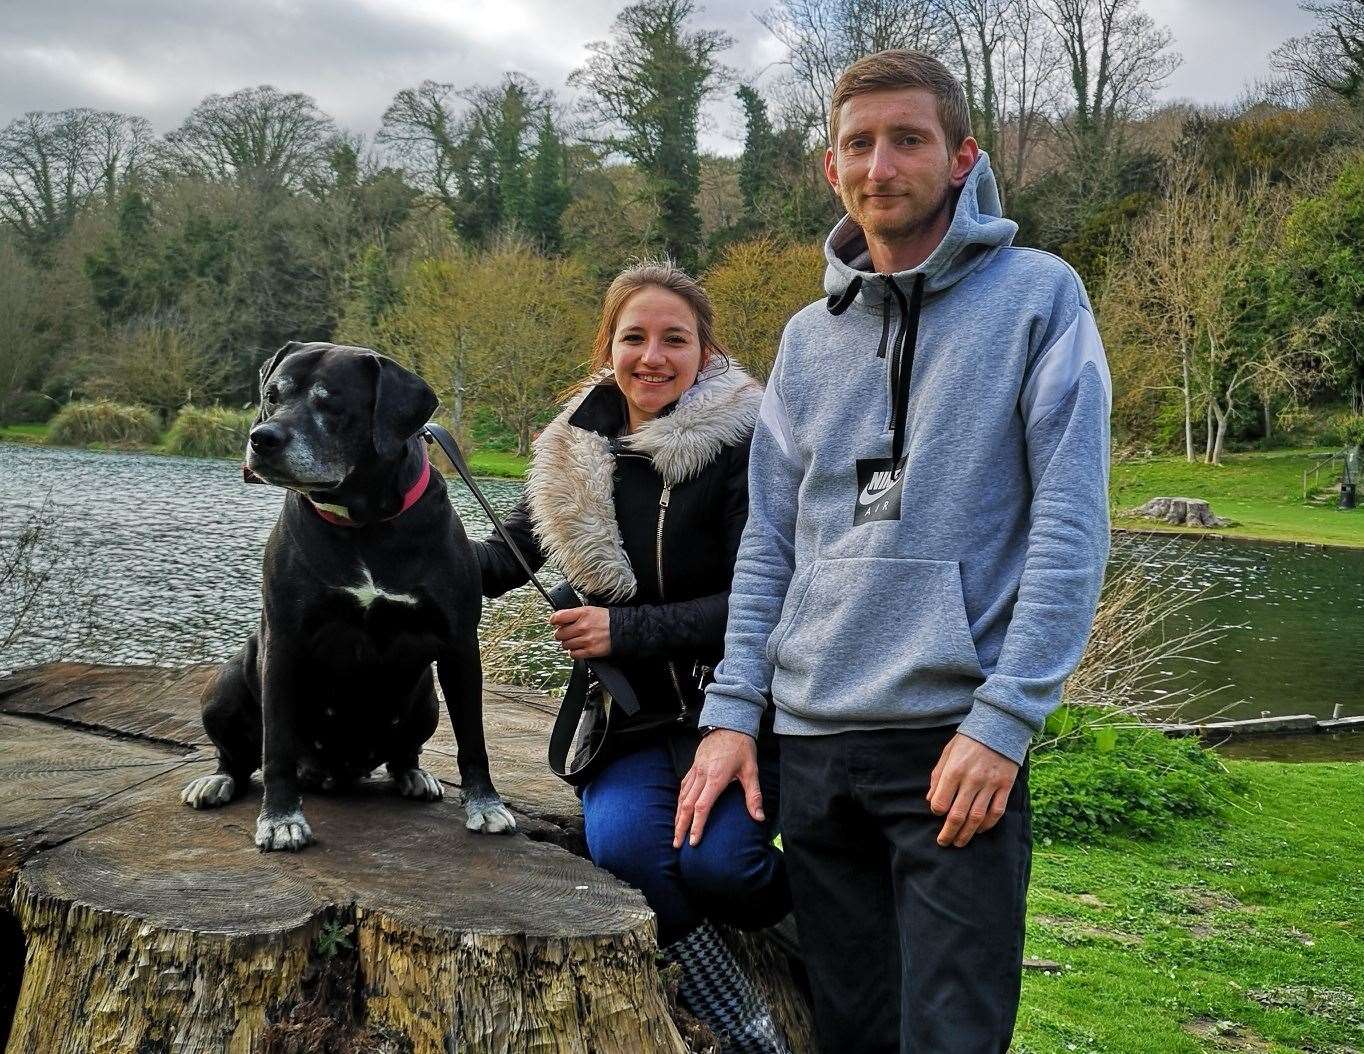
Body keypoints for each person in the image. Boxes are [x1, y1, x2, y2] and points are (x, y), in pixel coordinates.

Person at [676, 50, 1112, 1053]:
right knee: (852, 1029)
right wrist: (735, 712)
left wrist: (1004, 720)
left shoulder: (1040, 299)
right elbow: (769, 547)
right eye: (858, 144)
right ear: (830, 169)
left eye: (907, 139)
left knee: (949, 1035)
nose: (881, 164)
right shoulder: (803, 337)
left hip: (950, 746)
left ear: (961, 158)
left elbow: (1068, 525)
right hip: (813, 743)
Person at [473, 261, 792, 1053]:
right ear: (607, 346)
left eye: (674, 339)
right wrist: (377, 524)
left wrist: (627, 632)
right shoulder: (570, 452)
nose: (653, 357)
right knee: (623, 856)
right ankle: (737, 1013)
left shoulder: (747, 445)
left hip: (738, 706)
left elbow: (764, 598)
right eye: (635, 337)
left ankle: (848, 917)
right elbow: (497, 562)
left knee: (726, 870)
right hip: (627, 717)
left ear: (705, 350)